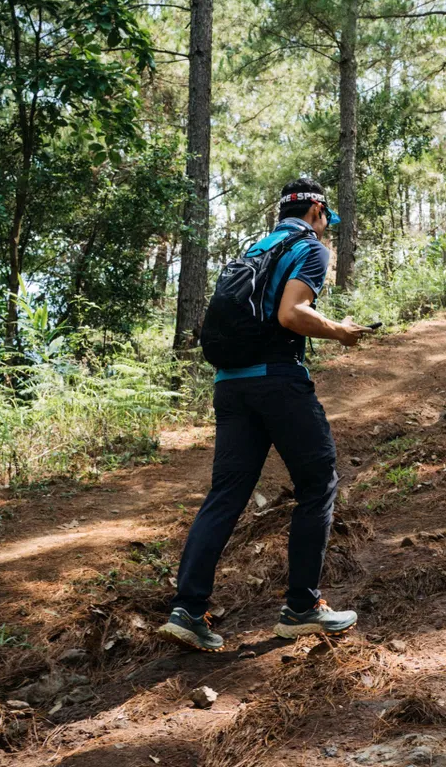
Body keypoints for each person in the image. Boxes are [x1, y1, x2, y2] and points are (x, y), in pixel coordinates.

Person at [158, 177, 372, 652]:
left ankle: (187, 610)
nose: (326, 227)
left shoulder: (255, 250)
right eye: (326, 219)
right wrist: (340, 331)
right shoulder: (310, 248)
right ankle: (302, 607)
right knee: (318, 483)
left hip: (229, 385)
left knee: (226, 493)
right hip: (278, 381)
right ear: (316, 211)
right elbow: (291, 314)